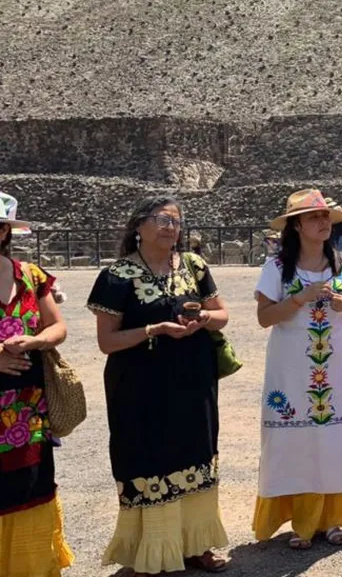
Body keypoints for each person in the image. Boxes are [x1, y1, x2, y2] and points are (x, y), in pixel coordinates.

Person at [87, 196, 231, 575]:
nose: (171, 227)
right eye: (162, 219)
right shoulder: (116, 276)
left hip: (193, 379)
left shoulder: (196, 266)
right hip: (140, 387)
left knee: (196, 452)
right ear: (139, 226)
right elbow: (107, 342)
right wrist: (155, 328)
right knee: (147, 456)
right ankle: (152, 550)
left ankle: (196, 544)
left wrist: (203, 319)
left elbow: (223, 315)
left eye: (176, 221)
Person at [252, 189, 342, 550]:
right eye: (314, 217)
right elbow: (264, 317)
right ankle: (302, 521)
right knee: (295, 439)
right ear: (297, 226)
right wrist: (299, 298)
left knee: (337, 438)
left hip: (335, 366)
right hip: (290, 367)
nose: (322, 223)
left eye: (325, 217)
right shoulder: (276, 268)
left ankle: (336, 519)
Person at [0, 193, 74, 577]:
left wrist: (36, 341)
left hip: (28, 410)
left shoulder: (31, 276)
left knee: (31, 487)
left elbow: (57, 326)